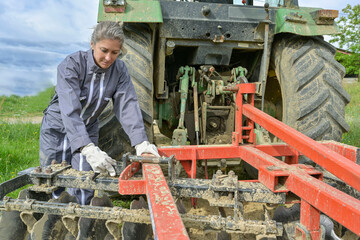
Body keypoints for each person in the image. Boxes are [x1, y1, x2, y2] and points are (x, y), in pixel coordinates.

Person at [39, 21, 159, 205]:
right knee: (55, 178)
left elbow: (127, 104)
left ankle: (81, 220)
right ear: (92, 44)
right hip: (58, 127)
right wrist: (86, 147)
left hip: (88, 127)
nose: (108, 57)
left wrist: (141, 142)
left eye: (115, 53)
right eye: (104, 50)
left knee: (85, 179)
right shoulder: (71, 65)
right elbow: (69, 110)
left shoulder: (119, 70)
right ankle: (55, 223)